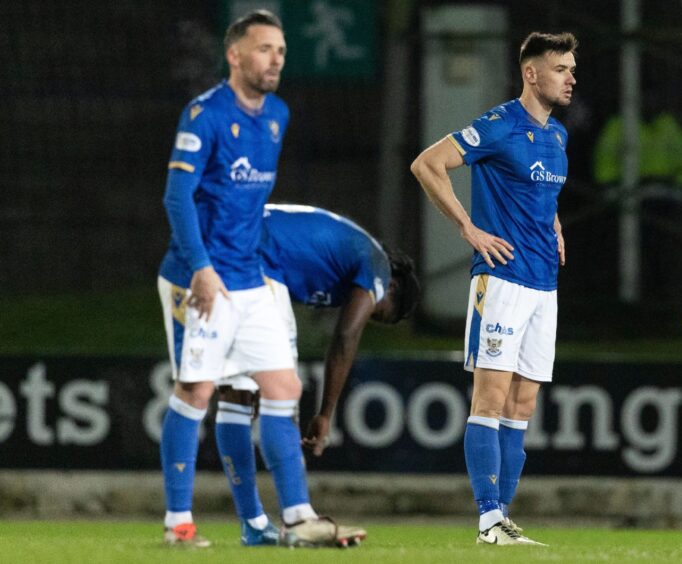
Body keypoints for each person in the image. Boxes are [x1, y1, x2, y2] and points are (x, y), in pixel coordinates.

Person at [157, 9, 361, 549]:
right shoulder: (203, 114)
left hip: (250, 278)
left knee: (283, 387)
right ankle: (178, 523)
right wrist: (200, 267)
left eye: (282, 51)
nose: (275, 59)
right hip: (198, 278)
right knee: (196, 390)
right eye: (265, 48)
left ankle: (297, 518)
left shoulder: (277, 116)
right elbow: (176, 196)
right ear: (235, 55)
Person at [410, 31, 577, 547]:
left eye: (573, 68)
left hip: (543, 283)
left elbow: (539, 193)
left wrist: (554, 226)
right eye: (561, 68)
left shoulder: (558, 136)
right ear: (532, 73)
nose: (571, 78)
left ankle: (502, 520)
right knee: (490, 397)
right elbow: (427, 164)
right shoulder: (501, 124)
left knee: (523, 403)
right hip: (501, 278)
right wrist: (469, 228)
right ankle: (488, 519)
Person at [216, 203, 420, 459]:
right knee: (284, 387)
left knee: (243, 395)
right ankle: (294, 497)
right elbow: (346, 336)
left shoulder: (348, 260)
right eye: (377, 313)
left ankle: (243, 493)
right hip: (257, 249)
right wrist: (326, 414)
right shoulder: (378, 266)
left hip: (234, 241)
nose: (368, 313)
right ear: (390, 288)